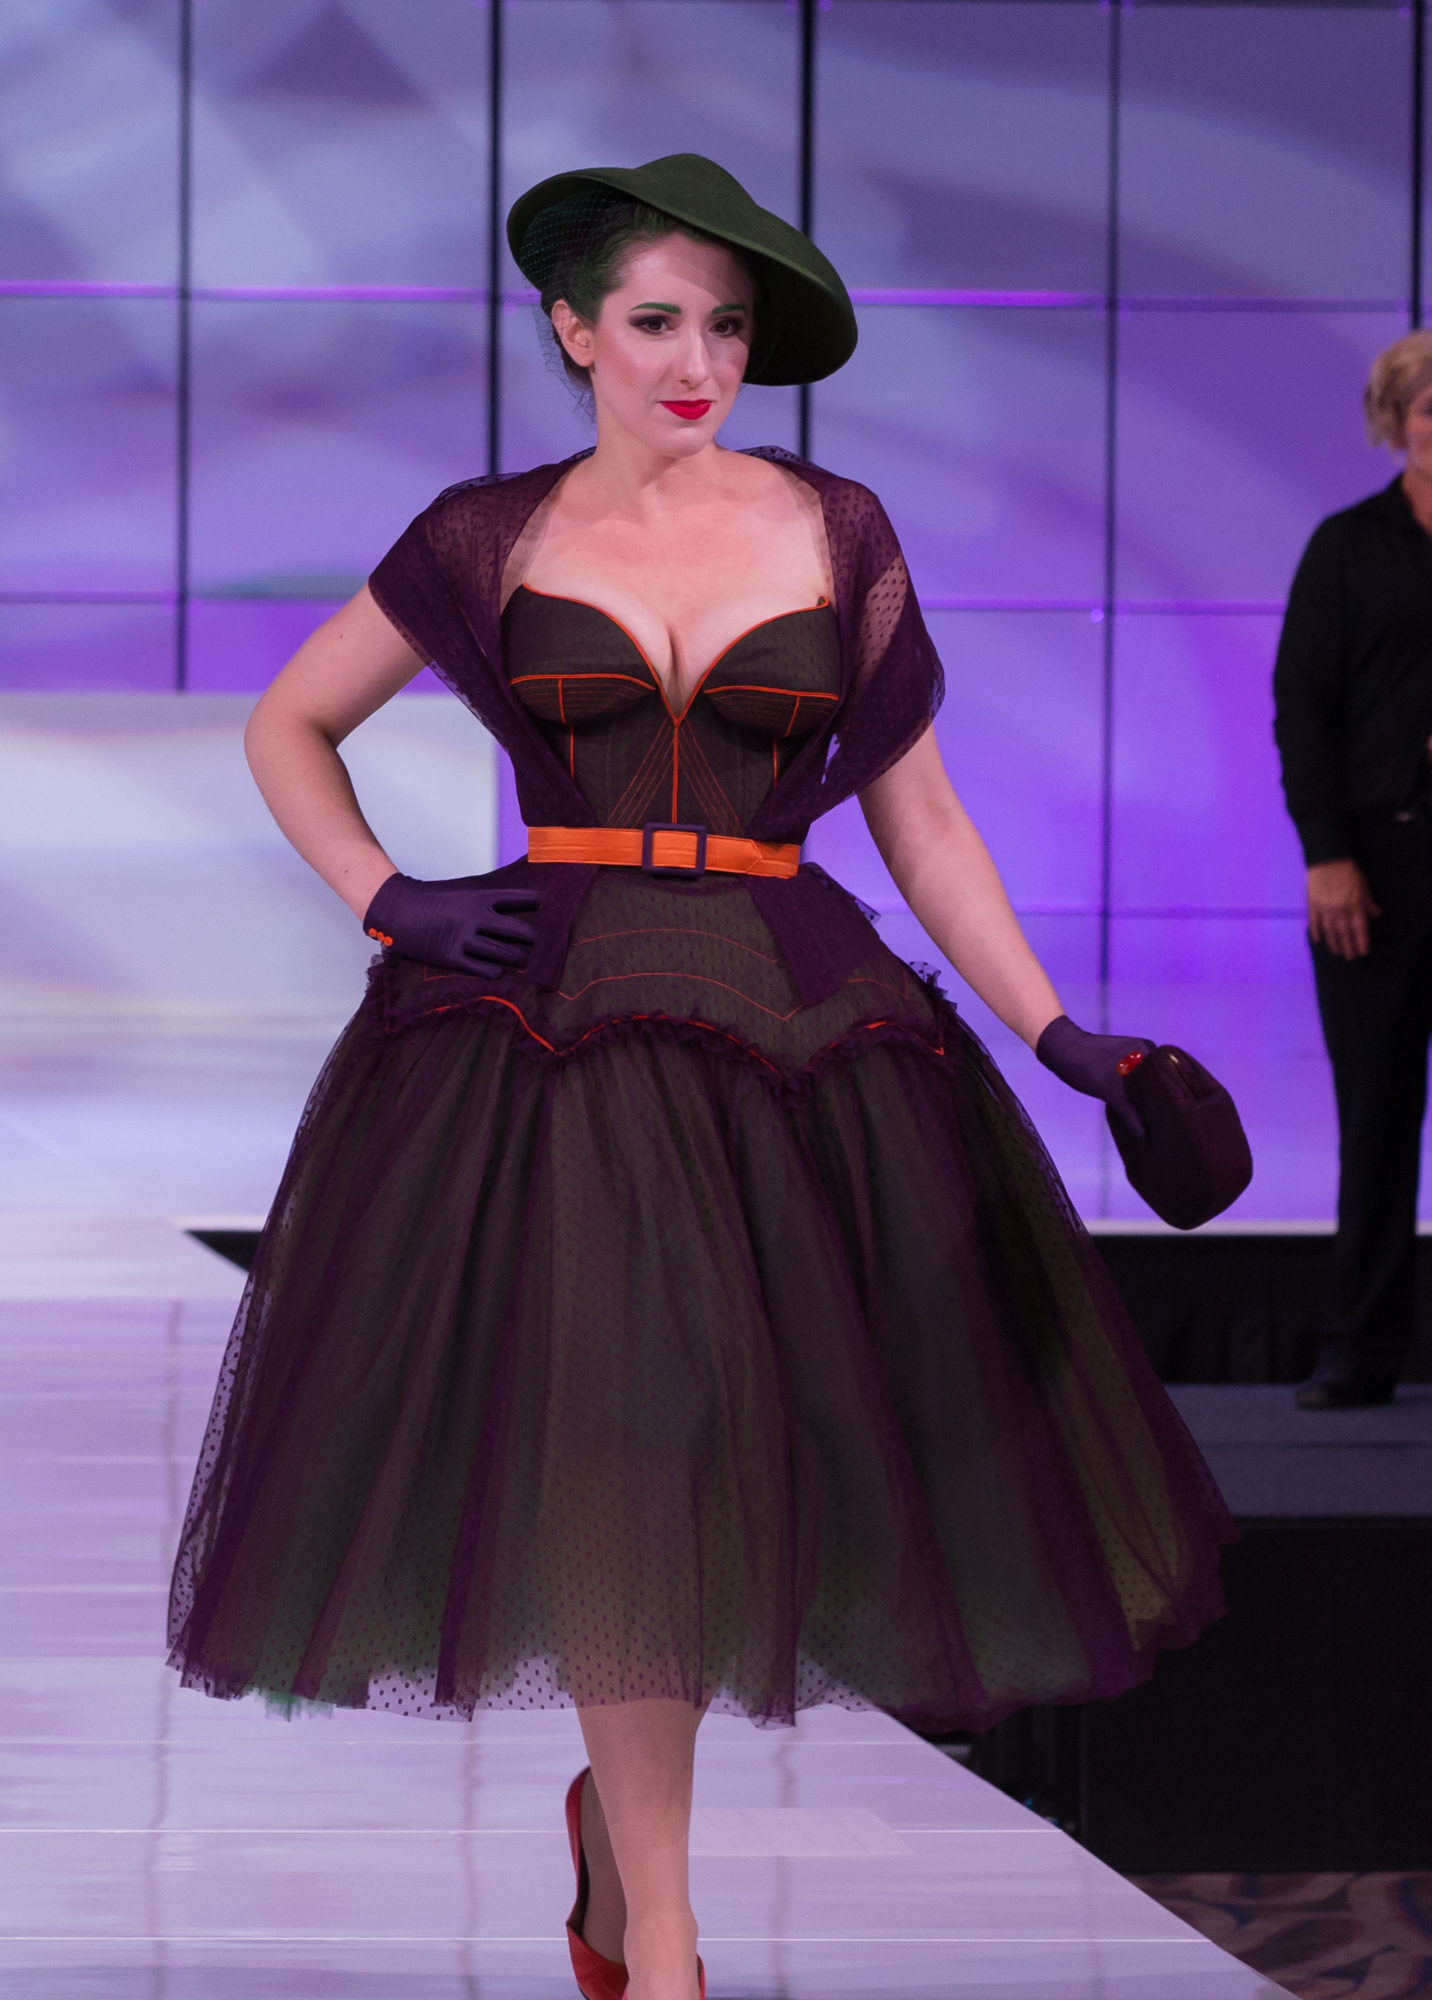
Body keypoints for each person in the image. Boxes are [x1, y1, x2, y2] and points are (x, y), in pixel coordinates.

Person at [166, 155, 1232, 2000]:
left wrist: (1063, 1034)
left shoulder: (837, 529)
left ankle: (625, 1870)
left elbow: (923, 825)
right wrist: (388, 899)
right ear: (572, 329)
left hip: (791, 1029)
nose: (696, 361)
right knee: (624, 1448)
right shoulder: (485, 535)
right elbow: (291, 721)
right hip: (550, 1034)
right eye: (655, 320)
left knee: (744, 1453)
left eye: (727, 328)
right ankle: (661, 1935)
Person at [1271, 329, 1432, 1410]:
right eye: (1429, 408)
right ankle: (1359, 1349)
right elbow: (1302, 709)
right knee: (1375, 1113)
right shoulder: (1346, 546)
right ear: (1395, 422)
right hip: (1376, 862)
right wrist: (1327, 854)